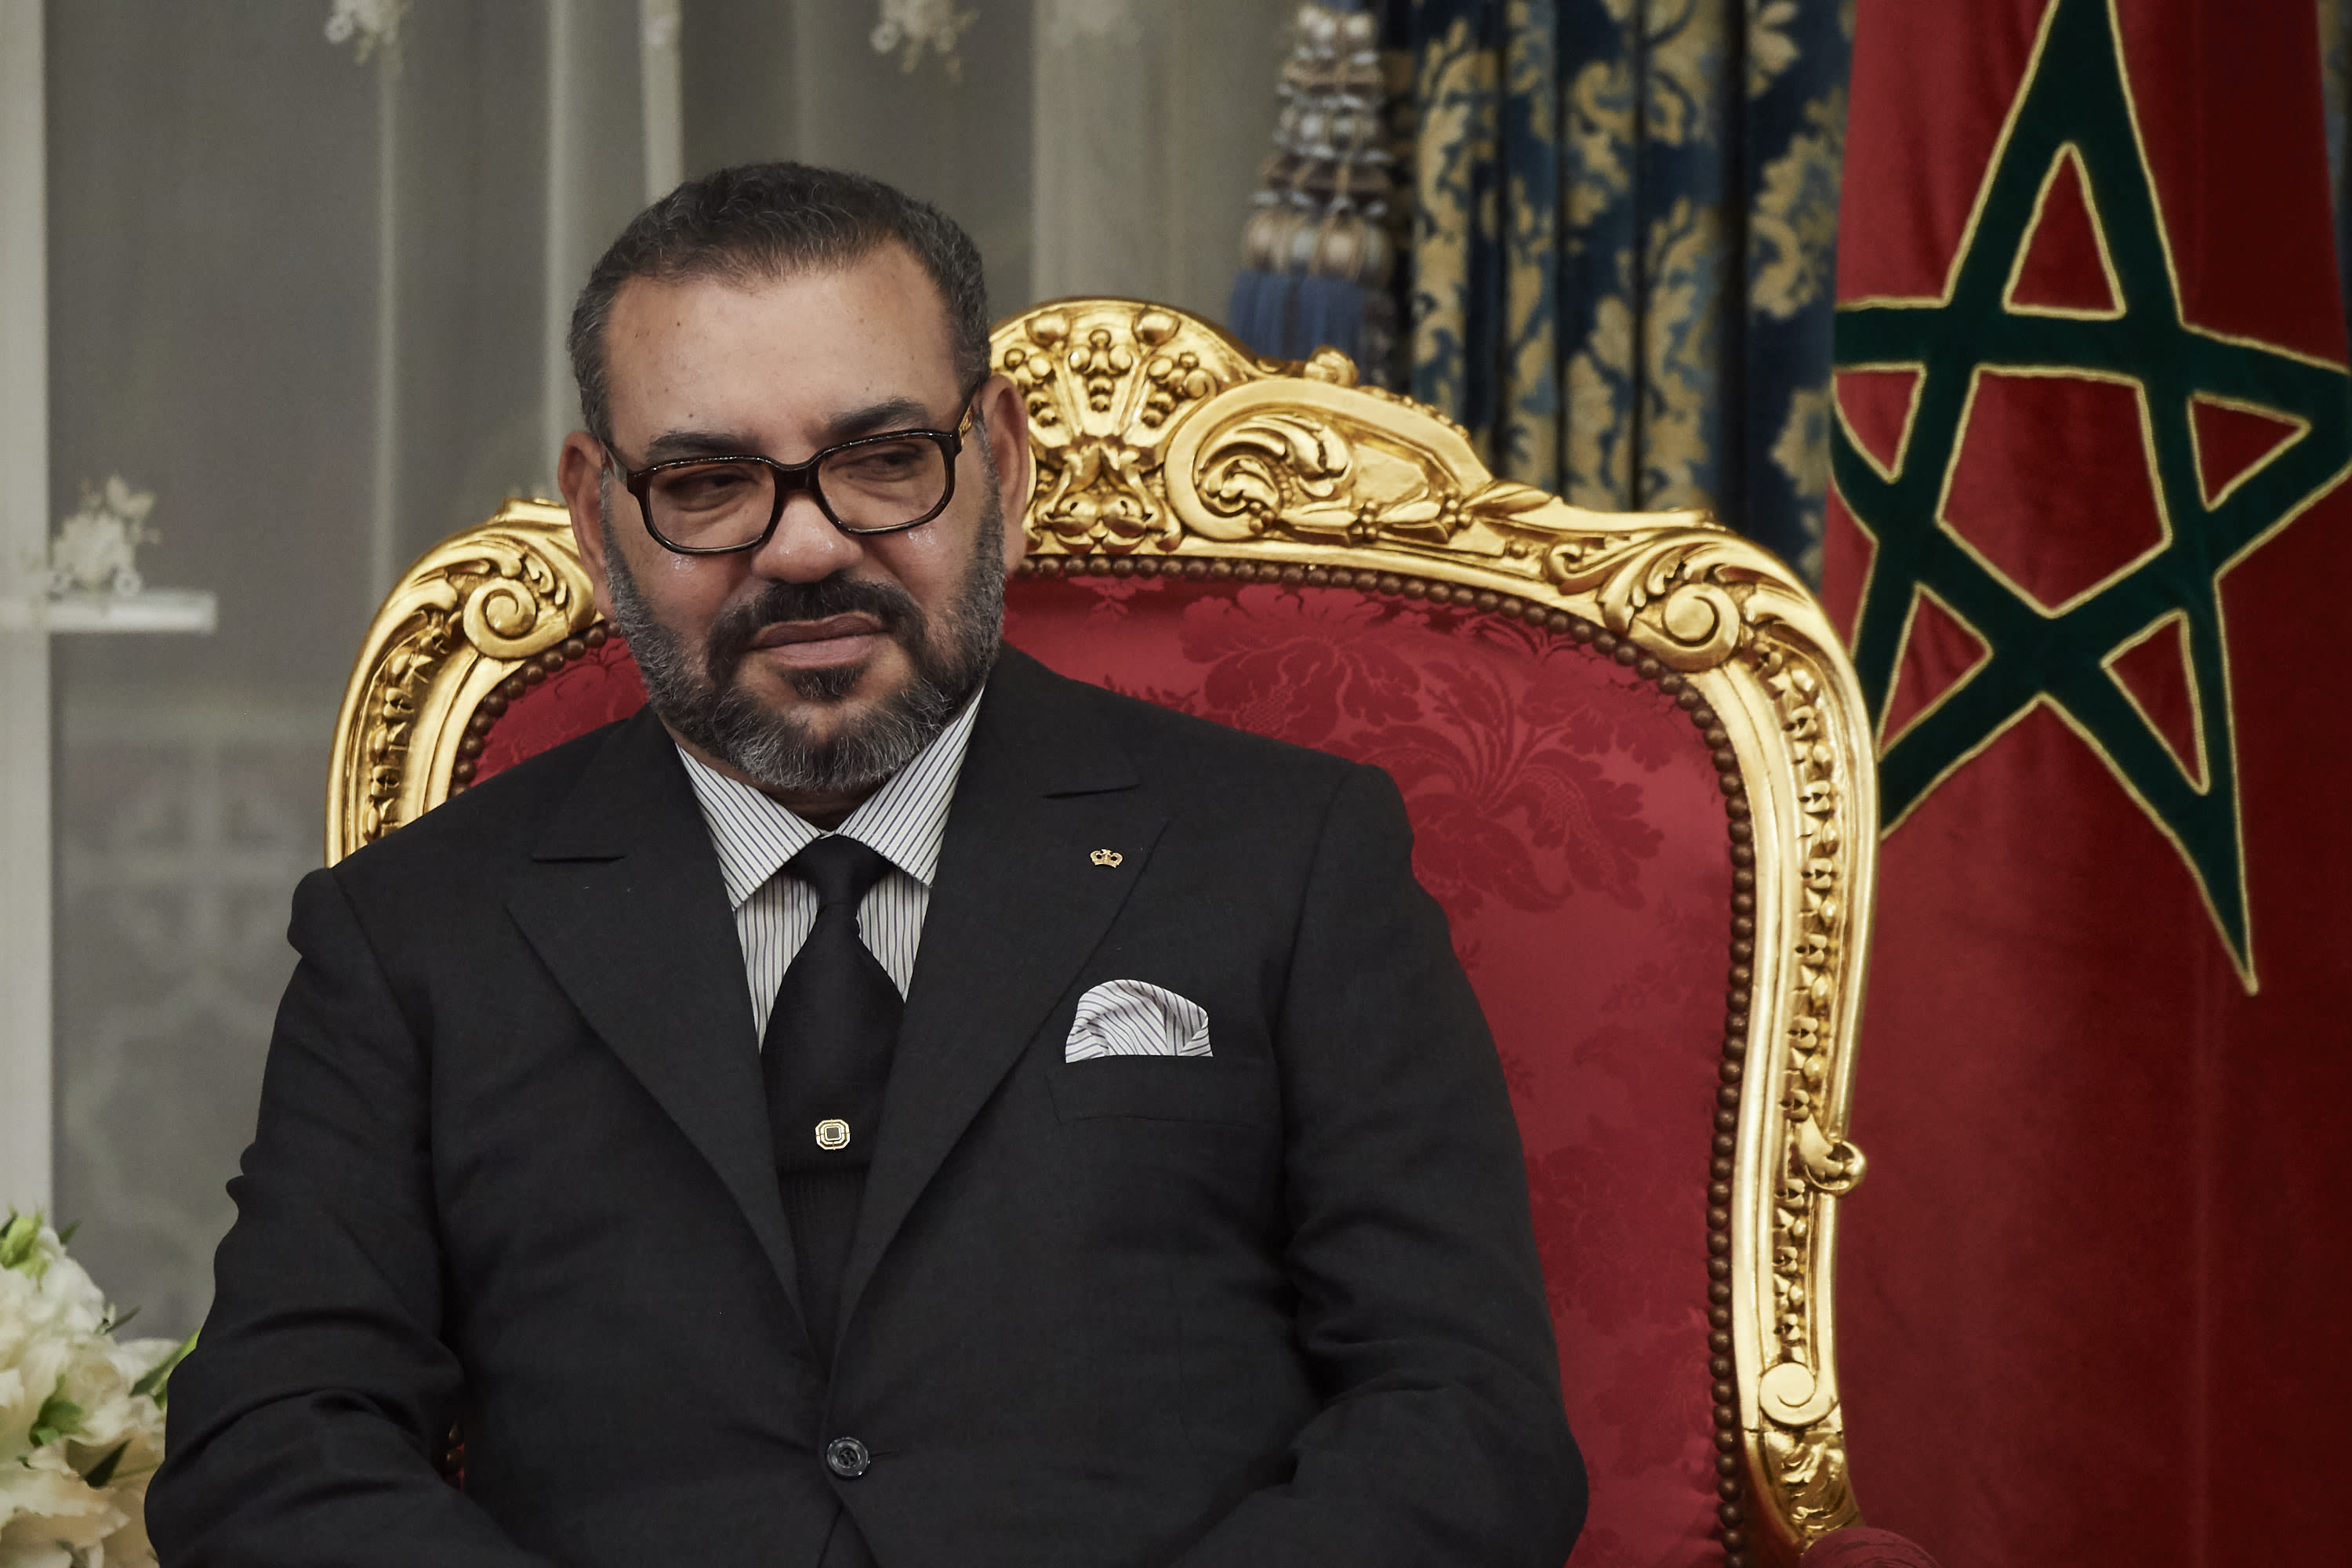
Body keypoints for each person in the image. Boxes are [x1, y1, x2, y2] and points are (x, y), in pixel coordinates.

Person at [149, 162, 1583, 1568]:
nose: (806, 547)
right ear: (596, 517)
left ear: (1002, 460)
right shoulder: (416, 933)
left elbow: (1466, 1421)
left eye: (885, 460)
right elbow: (271, 1445)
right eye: (708, 483)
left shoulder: (1287, 860)